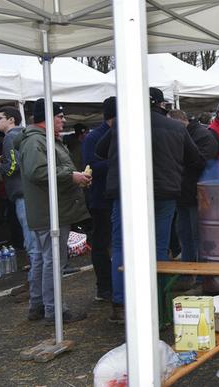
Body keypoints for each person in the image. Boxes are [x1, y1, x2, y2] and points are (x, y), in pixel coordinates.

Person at [98, 88, 204, 323]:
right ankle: (154, 303)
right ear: (161, 105)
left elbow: (99, 150)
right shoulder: (176, 127)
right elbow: (194, 157)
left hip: (126, 193)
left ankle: (121, 304)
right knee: (158, 248)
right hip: (163, 193)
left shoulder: (122, 124)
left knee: (122, 248)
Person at [16, 99, 91, 323]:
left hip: (49, 210)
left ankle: (38, 306)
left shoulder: (43, 140)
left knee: (42, 259)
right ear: (47, 118)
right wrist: (71, 176)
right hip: (50, 212)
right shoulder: (36, 142)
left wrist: (74, 177)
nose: (64, 120)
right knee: (53, 261)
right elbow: (38, 172)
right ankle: (54, 310)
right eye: (60, 116)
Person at [0, 106, 44, 319]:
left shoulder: (10, 137)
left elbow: (13, 167)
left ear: (11, 120)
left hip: (22, 194)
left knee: (33, 245)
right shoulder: (24, 135)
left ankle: (35, 295)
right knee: (37, 243)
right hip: (30, 193)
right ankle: (36, 290)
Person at [167, 110, 218, 266]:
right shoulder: (181, 134)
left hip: (198, 193)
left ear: (180, 122)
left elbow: (203, 162)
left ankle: (202, 275)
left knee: (199, 236)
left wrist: (178, 160)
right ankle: (187, 272)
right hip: (182, 192)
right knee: (184, 234)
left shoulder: (203, 135)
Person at [81, 97, 116, 302]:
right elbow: (90, 166)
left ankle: (118, 283)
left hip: (117, 197)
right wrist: (117, 160)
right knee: (102, 244)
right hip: (101, 199)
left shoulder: (121, 132)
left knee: (119, 243)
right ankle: (103, 287)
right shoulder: (94, 137)